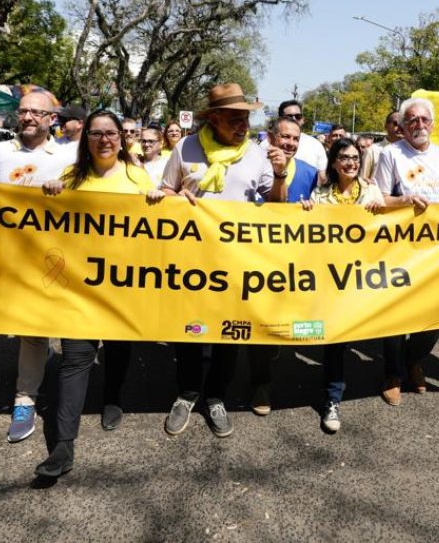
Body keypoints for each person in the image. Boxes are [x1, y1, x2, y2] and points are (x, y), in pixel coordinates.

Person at [154, 82, 287, 437]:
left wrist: (280, 174)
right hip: (191, 262)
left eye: (246, 118)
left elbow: (274, 206)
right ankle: (187, 394)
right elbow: (166, 191)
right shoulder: (185, 147)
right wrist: (173, 198)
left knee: (229, 335)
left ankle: (216, 397)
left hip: (237, 262)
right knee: (191, 332)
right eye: (234, 118)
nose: (242, 125)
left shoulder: (257, 153)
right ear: (213, 118)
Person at [36, 110, 154, 477]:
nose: (105, 140)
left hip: (123, 284)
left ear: (122, 138)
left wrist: (155, 198)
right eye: (96, 133)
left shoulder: (137, 175)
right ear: (85, 138)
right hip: (78, 285)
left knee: (118, 347)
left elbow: (159, 224)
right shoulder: (71, 177)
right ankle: (63, 446)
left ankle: (113, 397)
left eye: (112, 133)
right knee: (75, 358)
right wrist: (53, 192)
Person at [0, 89, 77, 444]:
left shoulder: (70, 154)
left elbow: (93, 194)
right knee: (30, 329)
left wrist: (66, 188)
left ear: (52, 119)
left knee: (72, 331)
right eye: (24, 111)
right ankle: (25, 399)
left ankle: (75, 396)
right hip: (16, 260)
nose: (29, 117)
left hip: (66, 259)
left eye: (37, 112)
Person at [373, 96, 439, 405]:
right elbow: (378, 200)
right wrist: (404, 201)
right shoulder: (390, 155)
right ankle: (393, 374)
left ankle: (413, 360)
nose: (418, 125)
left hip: (438, 253)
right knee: (395, 316)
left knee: (436, 318)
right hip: (399, 249)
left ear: (432, 124)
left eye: (423, 120)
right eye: (411, 120)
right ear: (401, 127)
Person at [301, 138, 384, 432]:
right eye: (344, 158)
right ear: (334, 162)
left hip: (366, 279)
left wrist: (380, 210)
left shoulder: (372, 190)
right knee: (335, 341)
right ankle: (332, 399)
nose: (351, 162)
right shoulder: (321, 194)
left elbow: (390, 232)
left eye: (355, 157)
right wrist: (307, 209)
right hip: (330, 278)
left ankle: (395, 377)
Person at [247, 116, 319, 416]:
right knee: (259, 321)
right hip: (257, 257)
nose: (289, 143)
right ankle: (260, 384)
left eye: (295, 139)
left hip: (295, 262)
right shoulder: (252, 163)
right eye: (284, 137)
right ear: (271, 137)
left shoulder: (310, 172)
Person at [275, 100, 328, 173]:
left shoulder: (316, 146)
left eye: (298, 116)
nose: (294, 119)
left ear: (302, 120)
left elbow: (322, 178)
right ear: (279, 119)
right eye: (289, 117)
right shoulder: (265, 146)